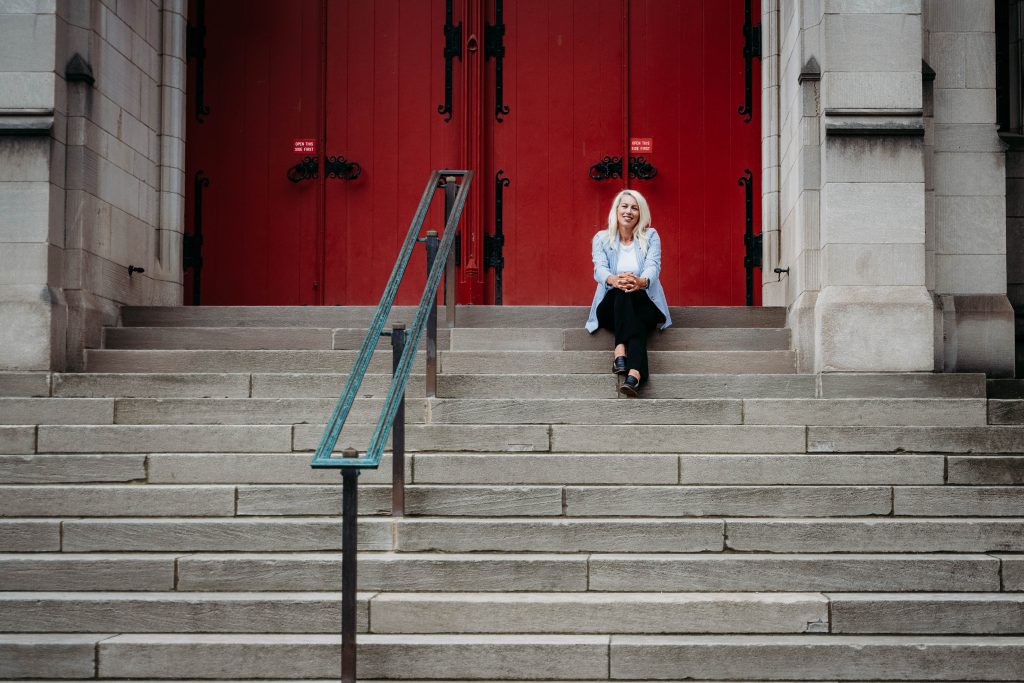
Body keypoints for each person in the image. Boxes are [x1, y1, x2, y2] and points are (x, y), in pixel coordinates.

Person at [585, 189, 672, 397]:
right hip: (610, 307)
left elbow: (653, 266)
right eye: (624, 206)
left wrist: (640, 281)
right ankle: (635, 375)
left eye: (634, 208)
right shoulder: (602, 238)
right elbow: (600, 269)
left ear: (640, 214)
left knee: (632, 297)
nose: (629, 211)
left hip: (646, 304)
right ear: (616, 210)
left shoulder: (651, 236)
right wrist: (615, 280)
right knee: (623, 293)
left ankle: (620, 354)